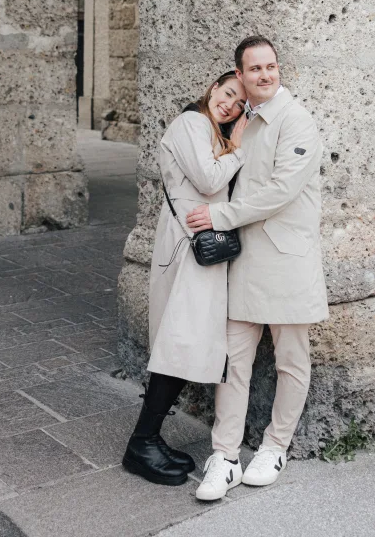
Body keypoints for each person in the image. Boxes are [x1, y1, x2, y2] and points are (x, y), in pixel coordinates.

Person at [187, 36, 328, 500]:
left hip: (286, 260)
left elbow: (281, 192)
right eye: (255, 70)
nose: (265, 75)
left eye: (271, 67)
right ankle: (224, 457)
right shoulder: (244, 121)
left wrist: (219, 218)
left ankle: (275, 446)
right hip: (244, 261)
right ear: (241, 77)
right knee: (232, 363)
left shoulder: (297, 120)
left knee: (291, 360)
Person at [122, 70, 248, 486]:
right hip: (185, 251)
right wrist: (241, 143)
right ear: (213, 88)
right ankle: (141, 443)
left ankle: (148, 439)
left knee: (184, 341)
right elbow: (209, 179)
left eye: (240, 104)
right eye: (228, 94)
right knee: (177, 341)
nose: (230, 105)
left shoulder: (211, 132)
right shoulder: (190, 123)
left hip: (197, 251)